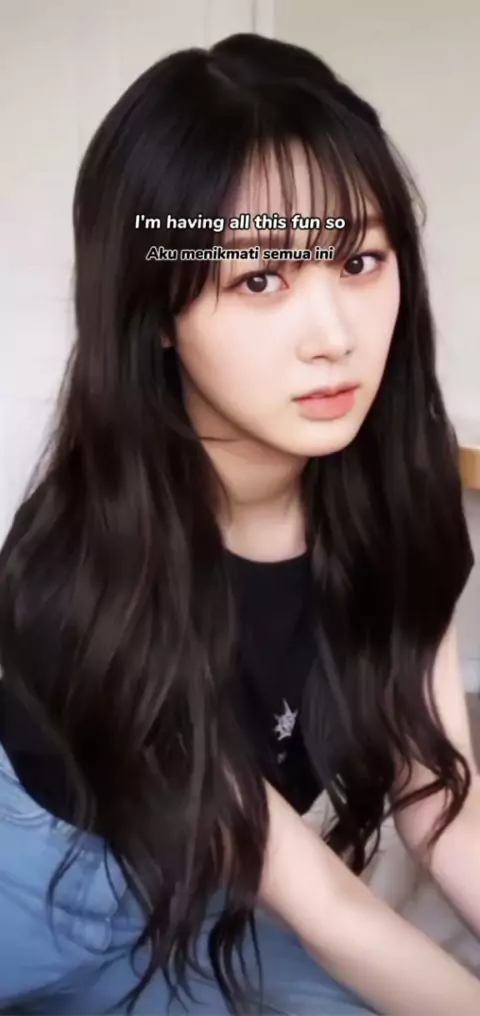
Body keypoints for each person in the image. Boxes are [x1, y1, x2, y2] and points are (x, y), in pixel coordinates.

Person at [0, 30, 479, 1016]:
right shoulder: (79, 570)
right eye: (260, 279)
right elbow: (326, 907)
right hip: (31, 886)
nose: (335, 336)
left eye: (360, 260)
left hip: (203, 884)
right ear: (154, 313)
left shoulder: (402, 490)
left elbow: (438, 797)